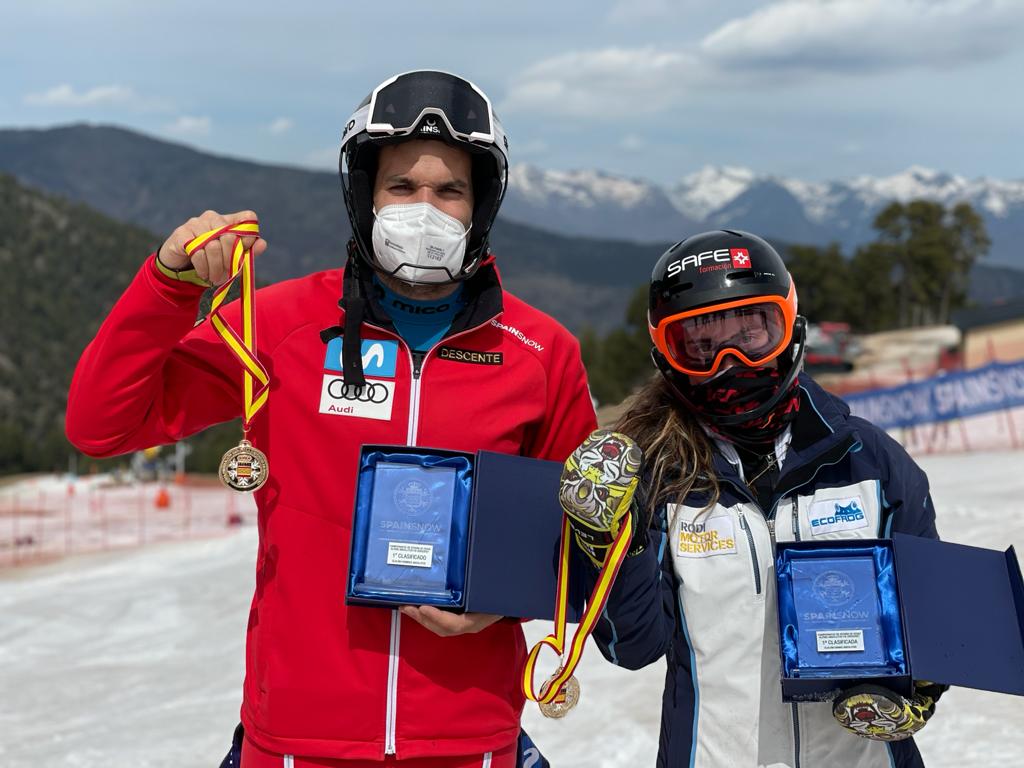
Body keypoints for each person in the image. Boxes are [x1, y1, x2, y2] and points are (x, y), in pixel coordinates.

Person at [65, 69, 594, 768]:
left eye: (449, 191)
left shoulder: (538, 352)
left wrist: (505, 598)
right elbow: (102, 425)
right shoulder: (280, 326)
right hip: (295, 742)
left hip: (470, 742)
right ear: (364, 196)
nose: (424, 209)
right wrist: (168, 287)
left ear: (481, 206)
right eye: (401, 187)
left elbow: (586, 529)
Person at [558, 230, 944, 767]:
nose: (732, 362)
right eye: (701, 345)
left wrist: (921, 682)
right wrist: (608, 543)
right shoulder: (661, 474)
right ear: (667, 356)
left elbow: (935, 615)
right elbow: (634, 646)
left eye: (752, 332)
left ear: (790, 327)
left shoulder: (869, 462)